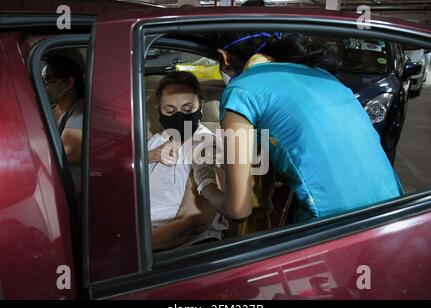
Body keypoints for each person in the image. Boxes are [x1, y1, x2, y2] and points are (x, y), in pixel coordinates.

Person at [193, 32, 404, 223]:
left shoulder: (240, 91)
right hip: (397, 211)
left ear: (224, 56)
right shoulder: (321, 75)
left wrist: (205, 184)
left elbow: (237, 209)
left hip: (337, 226)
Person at [147, 71, 228, 251]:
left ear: (201, 106)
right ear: (158, 110)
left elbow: (195, 222)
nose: (179, 116)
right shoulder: (154, 142)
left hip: (183, 249)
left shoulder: (206, 146)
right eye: (169, 110)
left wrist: (135, 248)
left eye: (187, 109)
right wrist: (148, 156)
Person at [42, 55, 84, 194]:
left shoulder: (81, 111)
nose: (43, 86)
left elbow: (65, 154)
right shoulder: (48, 109)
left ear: (67, 83)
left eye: (47, 80)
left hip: (74, 194)